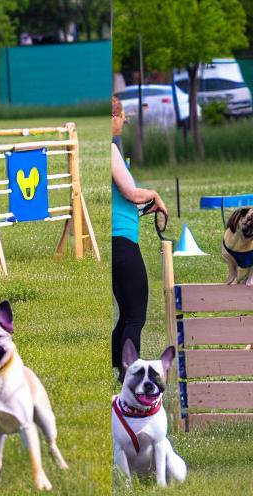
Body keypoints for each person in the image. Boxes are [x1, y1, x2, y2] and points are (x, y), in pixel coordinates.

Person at [111, 95, 168, 379]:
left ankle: (115, 371)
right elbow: (130, 193)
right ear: (113, 118)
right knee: (136, 316)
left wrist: (142, 208)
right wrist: (154, 195)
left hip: (117, 238)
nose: (123, 122)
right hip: (121, 242)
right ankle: (129, 375)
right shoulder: (109, 149)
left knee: (125, 314)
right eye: (122, 117)